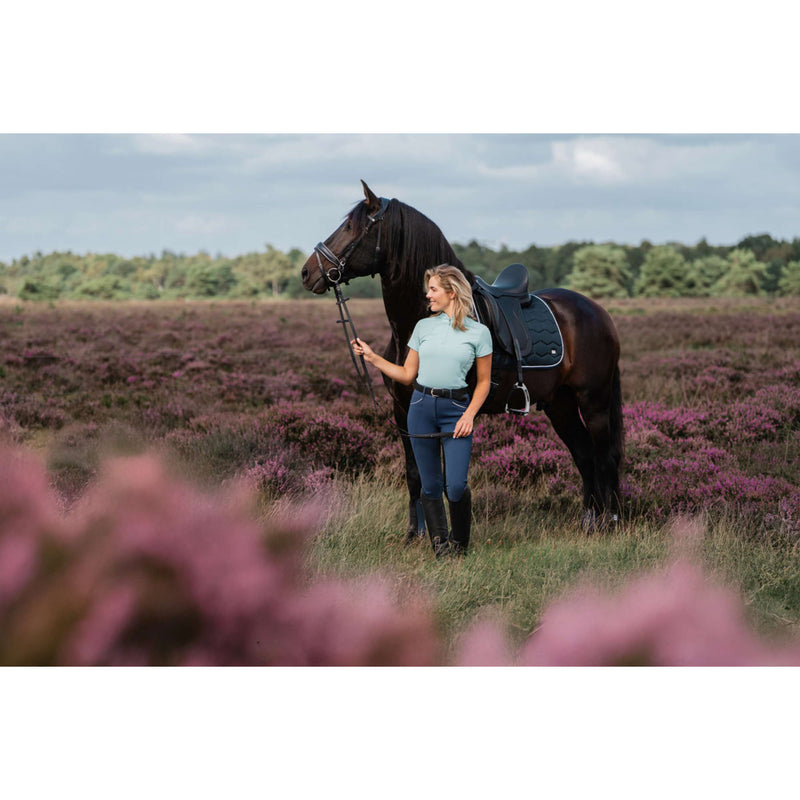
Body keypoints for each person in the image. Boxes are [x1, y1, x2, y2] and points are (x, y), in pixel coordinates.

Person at [352, 264, 493, 557]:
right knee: (429, 486)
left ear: (451, 292)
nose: (428, 295)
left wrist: (469, 415)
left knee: (455, 486)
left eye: (433, 289)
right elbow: (406, 374)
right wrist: (372, 357)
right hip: (420, 408)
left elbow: (483, 383)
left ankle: (460, 546)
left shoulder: (479, 333)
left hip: (456, 411)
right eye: (428, 289)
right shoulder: (423, 327)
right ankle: (441, 549)